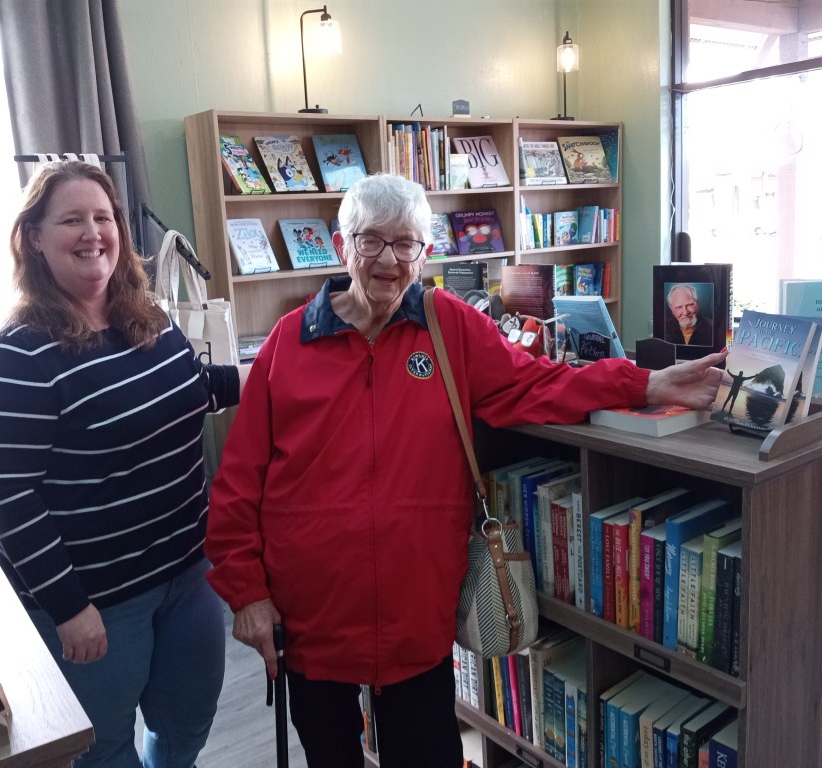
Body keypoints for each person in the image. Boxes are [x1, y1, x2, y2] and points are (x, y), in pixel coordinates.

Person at [204, 173, 725, 768]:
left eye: (406, 243)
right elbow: (237, 481)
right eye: (371, 240)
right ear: (342, 245)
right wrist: (247, 594)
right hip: (311, 618)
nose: (389, 260)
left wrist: (646, 383)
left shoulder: (448, 325)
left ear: (425, 253)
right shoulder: (289, 342)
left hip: (417, 615)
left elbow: (537, 384)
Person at [0, 160, 244, 768]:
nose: (92, 233)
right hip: (97, 602)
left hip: (187, 574)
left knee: (186, 725)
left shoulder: (148, 319)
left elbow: (196, 389)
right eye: (72, 220)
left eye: (103, 217)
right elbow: (1, 489)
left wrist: (280, 371)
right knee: (104, 751)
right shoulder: (14, 356)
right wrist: (68, 606)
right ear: (34, 237)